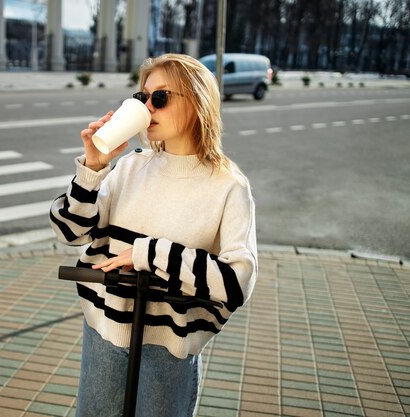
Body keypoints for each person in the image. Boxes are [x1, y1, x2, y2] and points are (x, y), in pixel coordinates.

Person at [49, 53, 258, 417]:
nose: (146, 107)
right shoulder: (130, 166)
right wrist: (93, 167)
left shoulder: (228, 187)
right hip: (105, 333)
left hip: (169, 348)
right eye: (140, 97)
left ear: (197, 102)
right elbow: (69, 231)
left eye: (159, 98)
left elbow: (237, 282)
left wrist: (147, 254)